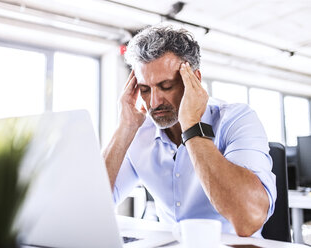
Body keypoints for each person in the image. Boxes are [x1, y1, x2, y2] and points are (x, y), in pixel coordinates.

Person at [103, 23, 276, 237]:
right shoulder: (139, 132)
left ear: (195, 80)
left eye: (166, 86)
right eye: (145, 89)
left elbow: (248, 219)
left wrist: (192, 126)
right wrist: (125, 128)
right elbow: (90, 205)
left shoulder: (237, 119)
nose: (154, 102)